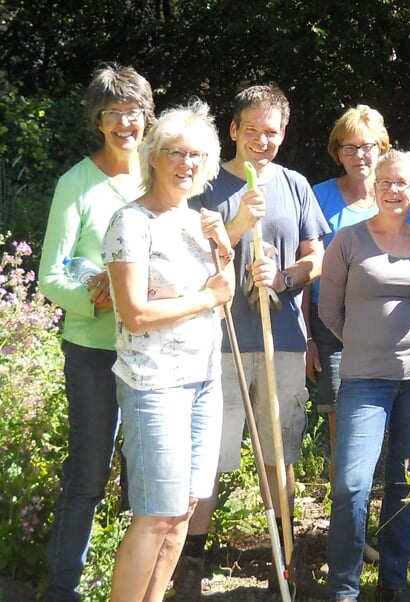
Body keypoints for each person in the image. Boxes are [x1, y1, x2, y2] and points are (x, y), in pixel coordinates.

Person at [170, 84, 330, 599]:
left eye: (273, 131)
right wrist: (239, 227)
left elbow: (316, 256)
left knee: (278, 454)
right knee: (210, 455)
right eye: (253, 129)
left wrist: (283, 278)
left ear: (284, 134)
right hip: (215, 342)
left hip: (281, 340)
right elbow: (184, 256)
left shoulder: (296, 184)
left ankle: (283, 558)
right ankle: (191, 559)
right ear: (234, 130)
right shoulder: (204, 184)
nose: (263, 140)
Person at [101, 100, 233, 601]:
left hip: (204, 378)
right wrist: (206, 297)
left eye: (198, 155)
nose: (187, 163)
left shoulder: (199, 221)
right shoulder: (131, 222)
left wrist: (226, 247)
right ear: (154, 155)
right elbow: (133, 313)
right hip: (155, 383)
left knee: (183, 513)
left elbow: (222, 297)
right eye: (176, 152)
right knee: (156, 515)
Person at [38, 63, 154, 602]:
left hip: (153, 353)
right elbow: (50, 276)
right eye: (114, 114)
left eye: (134, 113)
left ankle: (132, 588)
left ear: (147, 117)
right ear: (98, 121)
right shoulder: (76, 183)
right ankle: (63, 590)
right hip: (92, 352)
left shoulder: (160, 176)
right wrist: (95, 295)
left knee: (143, 480)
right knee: (87, 475)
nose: (125, 124)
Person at [319, 149, 410, 602]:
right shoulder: (347, 240)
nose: (395, 190)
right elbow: (328, 310)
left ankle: (394, 583)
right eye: (386, 181)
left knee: (404, 481)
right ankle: (344, 589)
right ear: (374, 186)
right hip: (363, 380)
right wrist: (364, 343)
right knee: (351, 484)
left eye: (404, 183)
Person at [305, 106, 410, 566]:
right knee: (344, 439)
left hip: (388, 337)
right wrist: (308, 336)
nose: (359, 155)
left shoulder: (397, 197)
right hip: (331, 332)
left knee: (387, 438)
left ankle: (363, 535)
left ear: (382, 148)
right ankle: (347, 538)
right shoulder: (318, 196)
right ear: (337, 152)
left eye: (367, 145)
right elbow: (307, 270)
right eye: (349, 146)